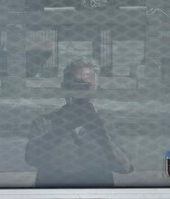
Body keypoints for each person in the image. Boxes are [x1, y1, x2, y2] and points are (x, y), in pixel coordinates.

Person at [25, 59, 133, 187]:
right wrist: (57, 132)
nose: (79, 93)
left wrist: (102, 136)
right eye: (73, 86)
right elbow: (31, 159)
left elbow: (125, 168)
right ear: (64, 88)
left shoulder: (109, 122)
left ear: (96, 89)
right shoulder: (45, 122)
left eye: (85, 86)